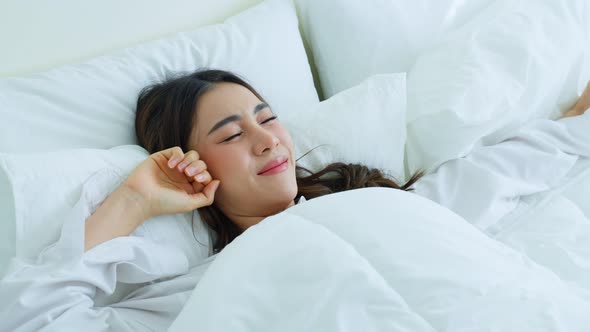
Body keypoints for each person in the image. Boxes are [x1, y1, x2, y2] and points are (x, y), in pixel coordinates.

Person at [1, 69, 589, 331]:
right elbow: (31, 319)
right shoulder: (197, 291)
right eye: (230, 135)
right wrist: (133, 201)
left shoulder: (388, 206)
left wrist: (571, 123)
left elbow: (493, 172)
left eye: (268, 117)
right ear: (193, 164)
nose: (265, 140)